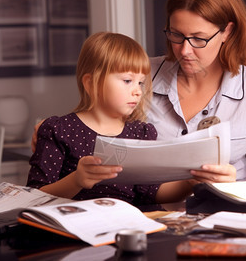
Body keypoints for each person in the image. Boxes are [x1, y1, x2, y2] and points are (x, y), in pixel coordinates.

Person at [32, 0, 246, 210]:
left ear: (228, 32)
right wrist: (50, 129)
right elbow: (91, 116)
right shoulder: (142, 75)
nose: (184, 50)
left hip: (225, 217)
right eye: (176, 35)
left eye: (198, 38)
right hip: (149, 220)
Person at [27, 32, 197, 210]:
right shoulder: (59, 130)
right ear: (91, 83)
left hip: (127, 227)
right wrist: (77, 180)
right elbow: (35, 196)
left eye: (140, 83)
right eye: (127, 80)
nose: (138, 91)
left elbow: (150, 194)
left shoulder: (141, 133)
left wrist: (190, 182)